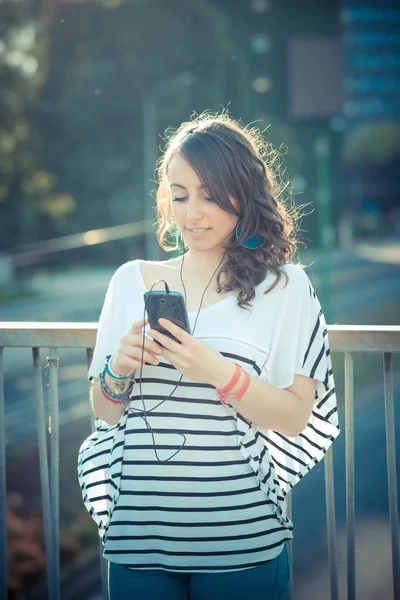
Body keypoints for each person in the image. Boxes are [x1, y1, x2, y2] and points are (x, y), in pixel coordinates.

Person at [78, 113, 339, 600]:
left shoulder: (286, 288)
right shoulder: (131, 280)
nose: (192, 213)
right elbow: (106, 410)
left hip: (239, 541)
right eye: (180, 195)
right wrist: (119, 367)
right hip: (139, 539)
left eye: (210, 195)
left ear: (243, 194)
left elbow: (296, 416)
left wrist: (216, 371)